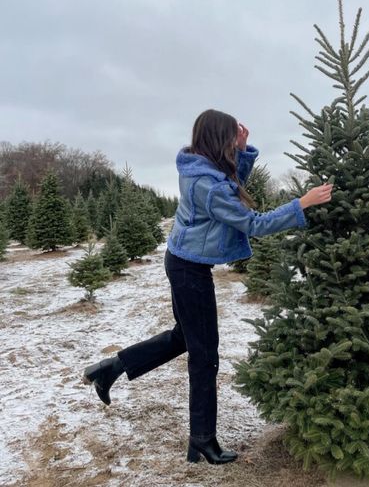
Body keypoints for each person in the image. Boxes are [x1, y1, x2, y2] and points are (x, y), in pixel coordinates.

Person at [82, 109, 333, 465]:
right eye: (232, 137)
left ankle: (112, 367)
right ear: (218, 139)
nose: (235, 141)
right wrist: (301, 204)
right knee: (205, 357)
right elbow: (251, 222)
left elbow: (230, 190)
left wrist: (243, 152)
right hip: (190, 271)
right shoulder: (208, 184)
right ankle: (202, 438)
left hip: (183, 261)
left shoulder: (200, 169)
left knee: (184, 338)